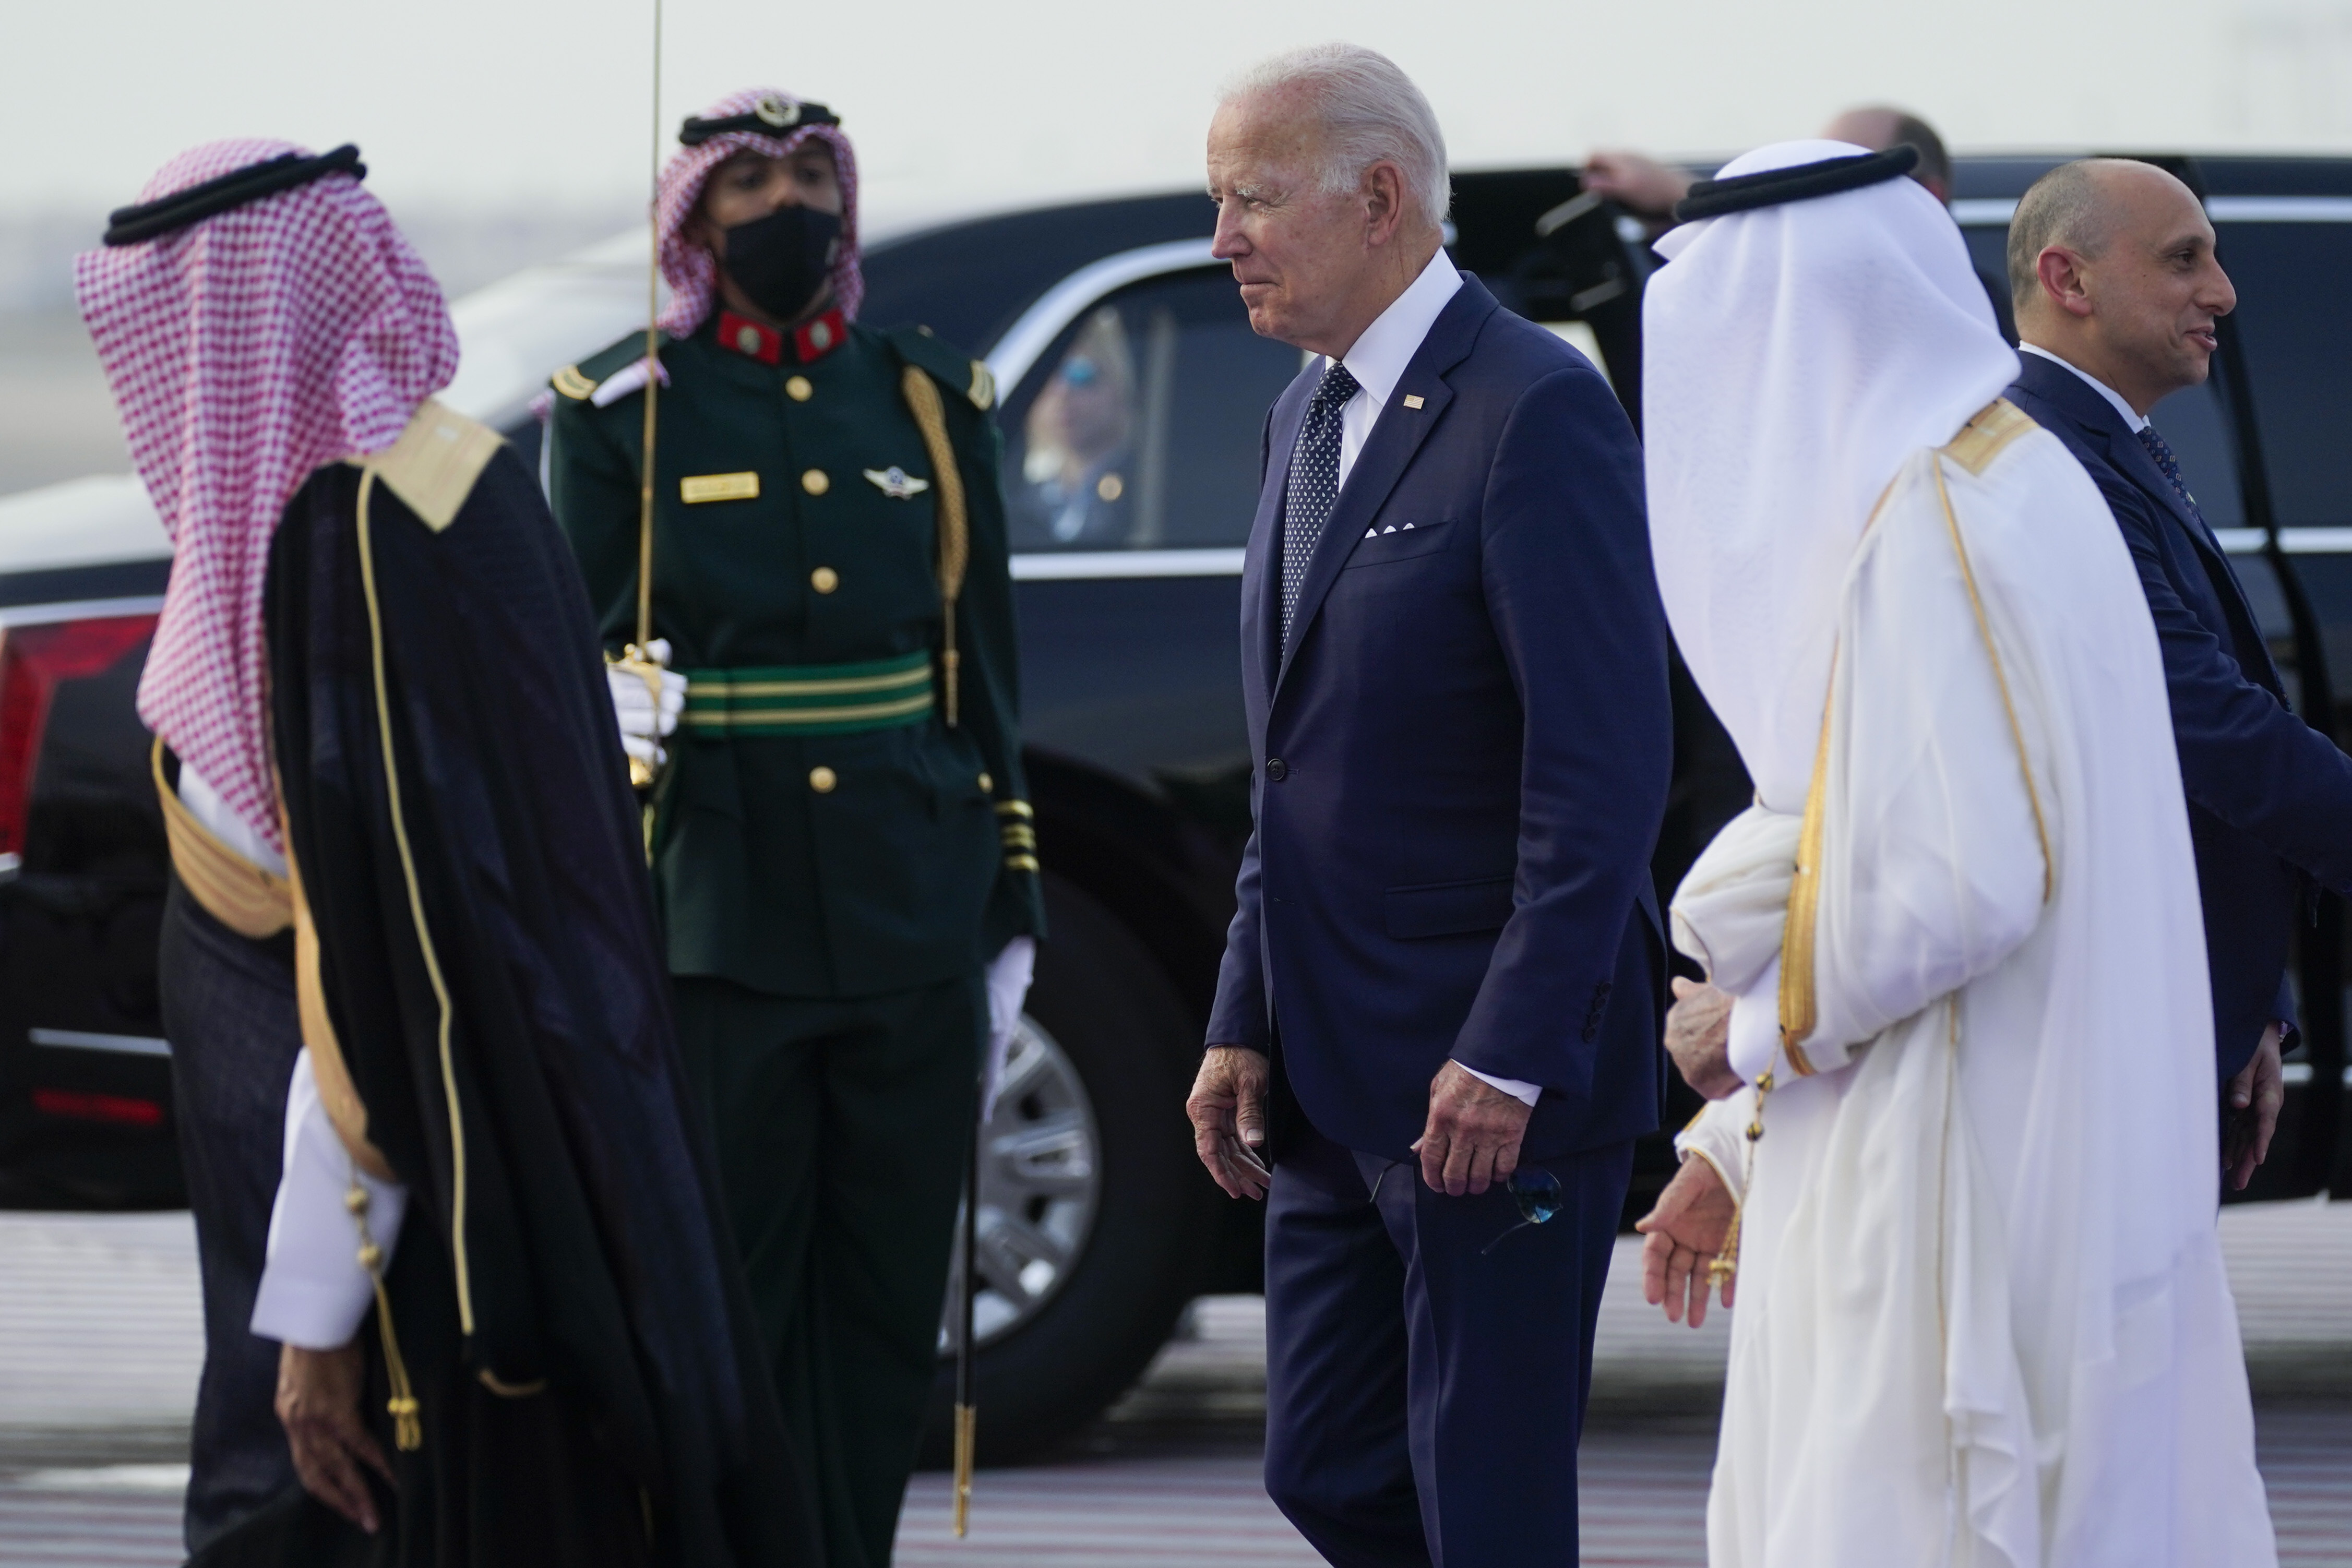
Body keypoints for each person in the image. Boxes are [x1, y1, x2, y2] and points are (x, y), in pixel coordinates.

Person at [77, 138, 812, 1566]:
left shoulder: (342, 547)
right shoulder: (451, 478)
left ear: (225, 318)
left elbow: (368, 988)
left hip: (409, 1286)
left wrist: (308, 1324)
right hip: (537, 1192)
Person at [1634, 140, 2276, 1566]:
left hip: (1955, 1160)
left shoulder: (1933, 521)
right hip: (2005, 1125)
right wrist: (1738, 1143)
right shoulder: (2008, 479)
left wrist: (1742, 1027)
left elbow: (1957, 884)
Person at [543, 87, 1042, 1568]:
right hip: (716, 907)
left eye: (808, 178)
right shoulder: (620, 411)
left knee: (888, 1300)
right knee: (739, 1301)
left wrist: (1010, 897)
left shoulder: (926, 400)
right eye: (746, 186)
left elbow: (987, 665)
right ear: (690, 219)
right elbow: (574, 678)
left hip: (909, 897)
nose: (784, 211)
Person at [1185, 44, 1670, 1566]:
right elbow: (1289, 765)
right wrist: (1234, 1014)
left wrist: (1509, 1051)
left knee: (1490, 1503)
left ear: (1378, 195)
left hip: (1489, 1093)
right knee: (1324, 1467)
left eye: (1250, 199)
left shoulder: (1534, 407)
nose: (1222, 239)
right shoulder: (1297, 418)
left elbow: (1596, 774)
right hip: (1329, 1084)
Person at [2003, 158, 2352, 1184]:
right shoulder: (2046, 459)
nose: (2224, 292)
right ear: (2070, 281)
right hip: (2108, 1024)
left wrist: (2256, 999)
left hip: (2176, 1006)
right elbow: (2196, 718)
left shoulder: (2108, 443)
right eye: (2183, 259)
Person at [1584, 107, 2015, 339]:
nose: (1814, 203)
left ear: (1929, 196)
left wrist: (1682, 194)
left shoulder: (1978, 320)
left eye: (1839, 179)